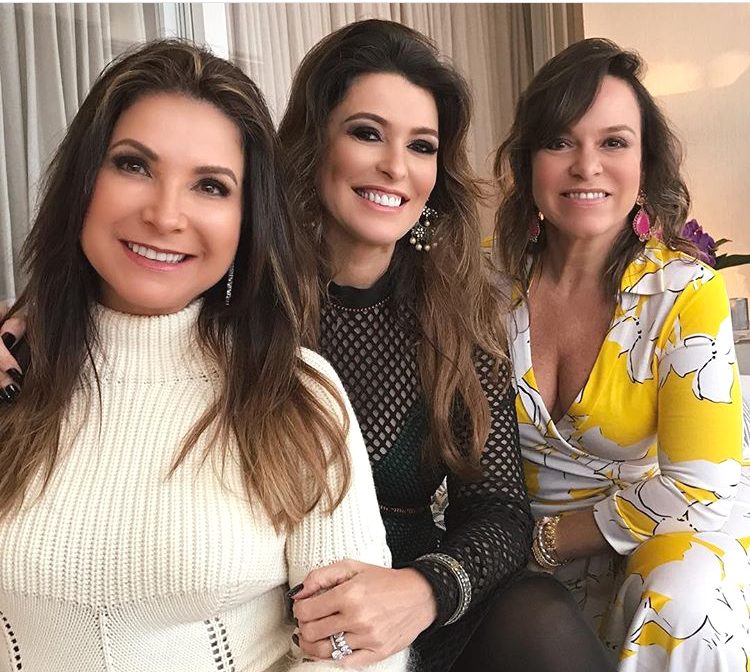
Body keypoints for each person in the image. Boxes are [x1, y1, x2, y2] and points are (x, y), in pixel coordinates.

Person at [0, 39, 408, 672]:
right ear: (82, 183)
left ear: (247, 222)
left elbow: (359, 655)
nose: (165, 215)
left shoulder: (296, 394)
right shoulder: (13, 371)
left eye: (211, 186)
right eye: (133, 166)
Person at [278, 20, 615, 671]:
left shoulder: (456, 311)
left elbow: (498, 511)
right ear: (315, 143)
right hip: (285, 611)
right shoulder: (252, 301)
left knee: (540, 614)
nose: (396, 166)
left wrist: (425, 591)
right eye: (366, 133)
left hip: (416, 603)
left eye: (422, 146)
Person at [494, 37, 750, 671]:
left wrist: (548, 540)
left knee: (685, 599)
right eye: (560, 142)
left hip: (659, 546)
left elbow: (699, 489)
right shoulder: (485, 292)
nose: (587, 166)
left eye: (613, 142)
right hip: (516, 567)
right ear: (528, 164)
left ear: (644, 165)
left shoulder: (684, 291)